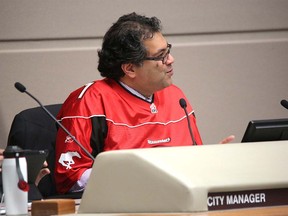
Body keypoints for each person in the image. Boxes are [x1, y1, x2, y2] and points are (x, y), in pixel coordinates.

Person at [55, 12, 234, 194]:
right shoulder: (89, 101)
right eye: (161, 56)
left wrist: (209, 161)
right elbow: (70, 179)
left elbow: (191, 164)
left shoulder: (175, 96)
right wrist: (140, 175)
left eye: (168, 51)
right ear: (130, 68)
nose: (171, 60)